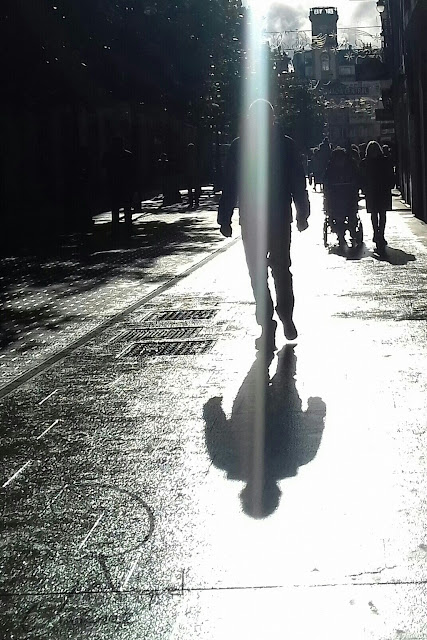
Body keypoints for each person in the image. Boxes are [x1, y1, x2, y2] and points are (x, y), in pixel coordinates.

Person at [218, 99, 310, 351]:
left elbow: (229, 185)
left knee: (259, 273)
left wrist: (224, 217)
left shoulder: (241, 147)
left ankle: (269, 322)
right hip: (278, 218)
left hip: (255, 219)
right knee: (281, 269)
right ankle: (283, 317)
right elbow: (297, 182)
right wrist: (302, 212)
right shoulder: (285, 145)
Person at [360, 140, 394, 252]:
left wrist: (363, 188)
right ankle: (379, 234)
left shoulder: (365, 162)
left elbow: (362, 177)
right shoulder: (384, 161)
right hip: (381, 191)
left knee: (376, 213)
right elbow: (390, 174)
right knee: (380, 213)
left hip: (373, 191)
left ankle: (378, 233)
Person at [323, 148, 360, 249]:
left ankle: (351, 228)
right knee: (338, 215)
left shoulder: (350, 167)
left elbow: (356, 176)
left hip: (348, 195)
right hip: (336, 197)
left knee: (351, 213)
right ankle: (341, 234)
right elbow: (326, 179)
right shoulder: (331, 168)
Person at [103, 137, 135, 234]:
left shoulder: (108, 155)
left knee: (115, 207)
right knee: (127, 207)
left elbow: (104, 169)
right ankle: (128, 227)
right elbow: (133, 172)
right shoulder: (128, 155)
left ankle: (115, 228)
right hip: (125, 185)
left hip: (114, 185)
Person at [186, 143, 201, 209]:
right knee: (194, 189)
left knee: (191, 189)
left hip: (191, 174)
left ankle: (192, 202)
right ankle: (195, 202)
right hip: (193, 174)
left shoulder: (188, 157)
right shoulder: (197, 157)